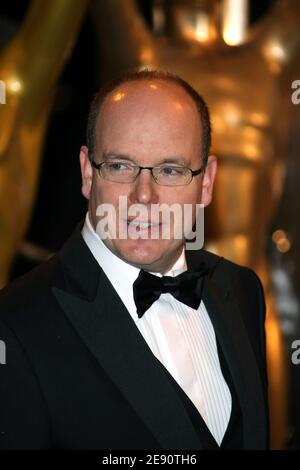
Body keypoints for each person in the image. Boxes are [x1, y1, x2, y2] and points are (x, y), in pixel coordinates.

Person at [0, 70, 269, 450]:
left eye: (170, 170)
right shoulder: (14, 326)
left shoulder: (241, 292)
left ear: (206, 182)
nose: (144, 195)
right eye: (121, 166)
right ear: (87, 173)